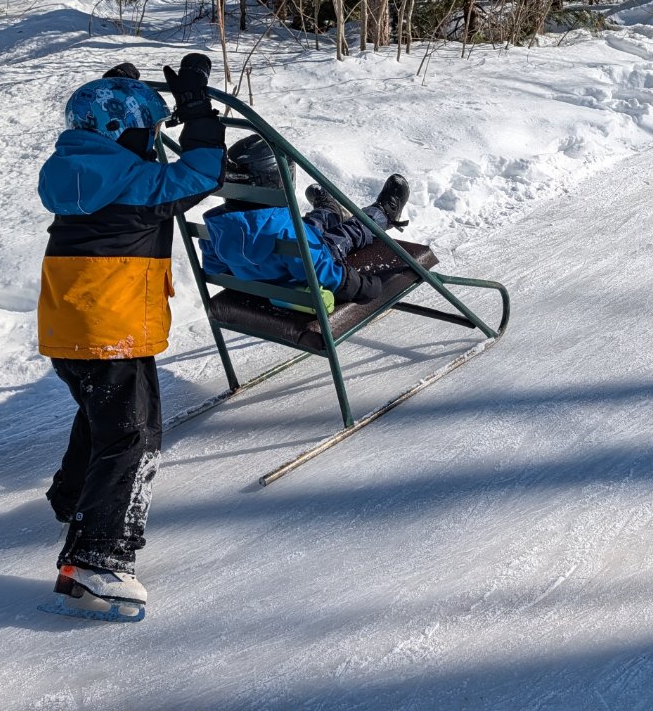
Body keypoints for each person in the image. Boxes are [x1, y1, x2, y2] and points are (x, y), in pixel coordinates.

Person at [37, 55, 226, 615]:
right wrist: (196, 109)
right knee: (133, 439)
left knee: (100, 417)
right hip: (114, 331)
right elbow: (203, 170)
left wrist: (117, 88)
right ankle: (98, 558)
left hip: (66, 327)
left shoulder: (68, 175)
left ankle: (72, 498)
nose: (151, 142)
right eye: (147, 132)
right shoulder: (139, 183)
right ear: (128, 134)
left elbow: (116, 139)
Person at [200, 133, 410, 307]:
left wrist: (250, 276)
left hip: (274, 258)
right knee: (347, 233)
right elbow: (325, 274)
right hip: (298, 281)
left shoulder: (217, 225)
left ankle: (329, 211)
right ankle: (383, 214)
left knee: (306, 228)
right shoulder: (287, 232)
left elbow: (214, 269)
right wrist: (364, 287)